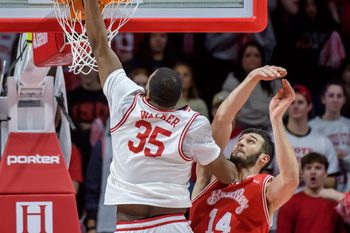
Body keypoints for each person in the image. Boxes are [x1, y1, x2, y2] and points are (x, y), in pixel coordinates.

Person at [83, 1, 237, 232]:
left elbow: (100, 45)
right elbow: (227, 175)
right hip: (171, 223)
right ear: (177, 100)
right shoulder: (192, 123)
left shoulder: (126, 101)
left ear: (147, 90)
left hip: (129, 224)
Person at [190, 66, 299, 233]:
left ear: (264, 158)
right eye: (240, 140)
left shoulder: (265, 189)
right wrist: (252, 78)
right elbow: (222, 119)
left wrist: (276, 119)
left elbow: (290, 178)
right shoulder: (211, 177)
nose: (241, 143)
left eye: (251, 141)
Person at [276, 84, 340, 190]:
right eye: (291, 102)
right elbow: (264, 179)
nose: (295, 106)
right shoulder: (275, 138)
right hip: (281, 203)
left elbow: (332, 182)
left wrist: (309, 176)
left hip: (312, 202)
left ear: (309, 106)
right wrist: (288, 175)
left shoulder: (323, 142)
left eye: (300, 102)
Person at [277, 152, 347, 233]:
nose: (313, 172)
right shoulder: (290, 203)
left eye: (318, 168)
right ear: (303, 174)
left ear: (326, 174)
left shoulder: (336, 204)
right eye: (308, 168)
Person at [222, 41, 282, 130]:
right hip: (239, 131)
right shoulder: (231, 81)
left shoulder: (274, 82)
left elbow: (282, 109)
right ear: (241, 59)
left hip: (270, 130)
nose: (252, 58)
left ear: (263, 59)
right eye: (248, 55)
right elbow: (226, 109)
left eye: (256, 55)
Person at [309, 80, 350, 192]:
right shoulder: (312, 127)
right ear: (323, 99)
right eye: (331, 95)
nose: (335, 99)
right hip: (322, 185)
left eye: (339, 96)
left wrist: (344, 157)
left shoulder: (348, 125)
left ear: (344, 100)